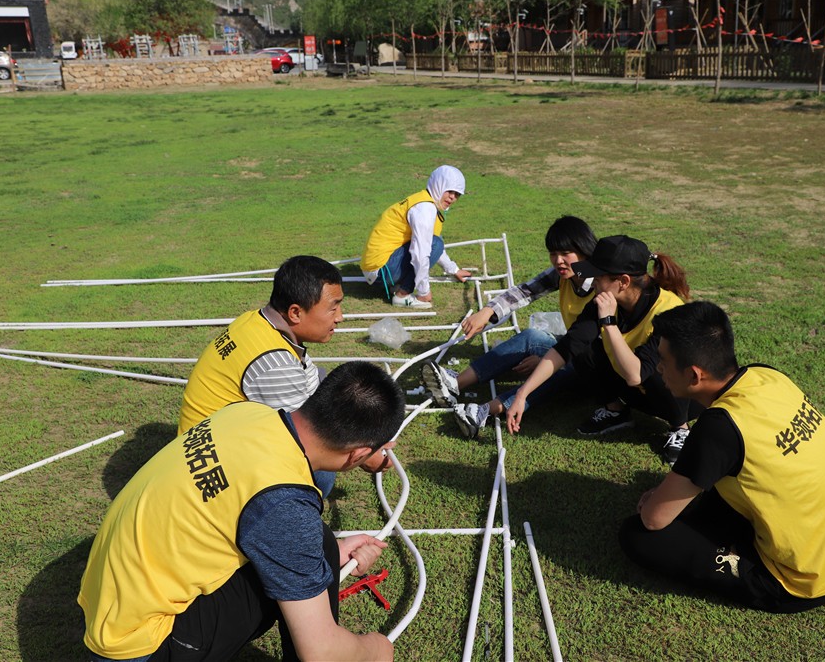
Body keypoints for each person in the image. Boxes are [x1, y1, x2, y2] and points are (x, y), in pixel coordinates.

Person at [79, 362, 405, 661]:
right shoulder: (285, 500)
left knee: (318, 542)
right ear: (359, 454)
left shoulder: (247, 414)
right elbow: (322, 652)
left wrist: (329, 553)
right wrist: (378, 649)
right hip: (137, 649)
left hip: (108, 610)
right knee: (312, 548)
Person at [618, 301, 825, 612]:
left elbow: (654, 519)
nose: (658, 369)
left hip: (800, 582)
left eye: (663, 361)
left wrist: (655, 503)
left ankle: (756, 567)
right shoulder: (765, 375)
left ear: (694, 375)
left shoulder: (720, 426)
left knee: (636, 535)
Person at [178, 255, 388, 499]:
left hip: (206, 445)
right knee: (319, 469)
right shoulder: (273, 363)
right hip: (210, 474)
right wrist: (363, 455)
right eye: (333, 307)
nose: (340, 316)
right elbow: (308, 439)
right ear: (295, 313)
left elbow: (311, 387)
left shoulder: (258, 322)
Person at [505, 235, 692, 462]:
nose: (591, 281)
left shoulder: (669, 312)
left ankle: (681, 428)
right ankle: (616, 411)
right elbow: (566, 348)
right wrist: (522, 394)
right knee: (583, 351)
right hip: (635, 389)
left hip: (680, 395)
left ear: (622, 281)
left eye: (597, 275)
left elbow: (636, 375)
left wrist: (608, 323)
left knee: (657, 367)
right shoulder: (603, 299)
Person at [420, 215, 597, 438]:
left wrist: (549, 360)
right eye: (553, 254)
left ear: (584, 250)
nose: (558, 261)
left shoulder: (602, 287)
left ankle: (485, 411)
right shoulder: (565, 275)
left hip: (596, 367)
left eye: (565, 254)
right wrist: (487, 312)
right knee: (533, 336)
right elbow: (525, 292)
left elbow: (592, 347)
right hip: (573, 348)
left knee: (559, 369)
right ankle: (454, 384)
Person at [360, 165, 472, 309]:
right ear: (438, 185)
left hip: (377, 269)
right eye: (449, 191)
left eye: (457, 194)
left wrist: (453, 269)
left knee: (434, 243)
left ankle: (396, 285)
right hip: (381, 270)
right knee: (434, 244)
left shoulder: (426, 202)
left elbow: (431, 245)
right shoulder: (424, 209)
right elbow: (422, 253)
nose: (452, 197)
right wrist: (424, 291)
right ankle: (402, 295)